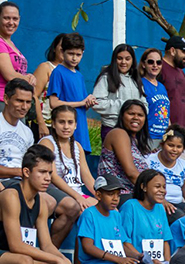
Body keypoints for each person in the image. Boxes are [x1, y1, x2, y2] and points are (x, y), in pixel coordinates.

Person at [39, 105, 97, 235]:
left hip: (77, 193)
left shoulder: (77, 146)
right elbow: (53, 176)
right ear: (53, 124)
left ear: (76, 125)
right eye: (61, 122)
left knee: (111, 211)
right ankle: (52, 250)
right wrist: (77, 197)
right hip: (56, 192)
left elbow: (87, 177)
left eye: (70, 122)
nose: (66, 127)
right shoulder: (47, 143)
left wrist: (102, 196)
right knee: (85, 211)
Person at [44, 32, 93, 156]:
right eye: (71, 54)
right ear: (62, 51)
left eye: (78, 54)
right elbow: (54, 103)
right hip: (66, 128)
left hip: (79, 127)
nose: (74, 58)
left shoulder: (79, 75)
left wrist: (87, 102)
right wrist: (81, 102)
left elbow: (81, 105)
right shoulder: (58, 72)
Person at [100, 98, 152, 198]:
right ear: (122, 116)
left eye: (140, 115)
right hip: (119, 194)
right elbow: (131, 173)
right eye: (131, 114)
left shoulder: (135, 141)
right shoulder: (119, 133)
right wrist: (152, 192)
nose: (136, 118)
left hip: (136, 193)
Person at [92, 44, 144, 142]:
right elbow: (97, 103)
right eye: (120, 58)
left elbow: (144, 105)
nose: (123, 62)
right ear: (114, 59)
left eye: (127, 59)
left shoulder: (136, 80)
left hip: (132, 131)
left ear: (132, 60)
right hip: (112, 128)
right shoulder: (106, 78)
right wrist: (125, 107)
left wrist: (136, 113)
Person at [148, 125, 185, 222]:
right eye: (170, 145)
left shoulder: (184, 165)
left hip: (179, 204)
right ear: (162, 144)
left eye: (179, 147)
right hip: (157, 204)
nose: (174, 150)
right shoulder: (149, 160)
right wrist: (162, 201)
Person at [0, 2, 33, 112]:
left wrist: (29, 76)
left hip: (17, 102)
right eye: (6, 18)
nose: (11, 22)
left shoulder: (11, 44)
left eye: (15, 19)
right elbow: (9, 74)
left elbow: (17, 73)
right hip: (2, 101)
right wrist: (28, 79)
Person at [159, 35, 185, 130]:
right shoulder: (159, 69)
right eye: (184, 51)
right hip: (165, 134)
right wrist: (168, 130)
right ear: (172, 51)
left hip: (181, 136)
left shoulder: (181, 72)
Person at [0, 78, 35, 180]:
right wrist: (19, 172)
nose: (24, 107)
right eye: (19, 101)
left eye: (28, 102)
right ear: (6, 99)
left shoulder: (27, 132)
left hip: (24, 182)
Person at [138, 48, 170, 148]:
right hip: (148, 138)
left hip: (163, 138)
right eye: (151, 62)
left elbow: (166, 111)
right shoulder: (140, 84)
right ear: (144, 64)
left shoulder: (162, 87)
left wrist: (170, 131)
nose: (155, 65)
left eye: (158, 62)